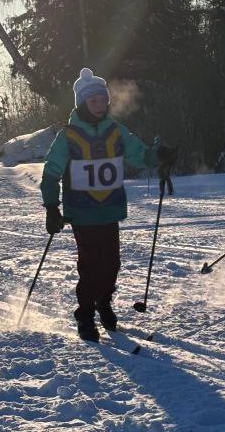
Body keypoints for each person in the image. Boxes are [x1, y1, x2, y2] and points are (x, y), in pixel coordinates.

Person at [41, 68, 176, 342]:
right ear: (82, 103)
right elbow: (51, 172)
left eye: (104, 101)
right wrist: (52, 207)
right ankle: (85, 313)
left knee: (112, 264)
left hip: (109, 210)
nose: (100, 106)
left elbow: (139, 155)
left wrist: (157, 156)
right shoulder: (68, 136)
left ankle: (104, 301)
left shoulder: (115, 130)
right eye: (94, 101)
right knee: (91, 265)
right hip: (82, 213)